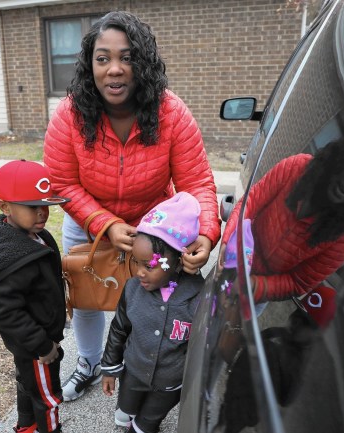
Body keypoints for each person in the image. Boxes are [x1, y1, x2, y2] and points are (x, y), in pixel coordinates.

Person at [43, 10, 221, 401]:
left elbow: (197, 185)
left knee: (152, 298)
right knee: (88, 300)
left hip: (155, 228)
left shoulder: (171, 112)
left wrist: (206, 234)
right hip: (87, 222)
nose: (115, 69)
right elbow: (63, 183)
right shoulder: (69, 115)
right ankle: (89, 362)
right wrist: (103, 222)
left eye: (127, 57)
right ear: (90, 65)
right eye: (103, 58)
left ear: (143, 62)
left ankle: (143, 367)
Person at [218, 129, 344, 303]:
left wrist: (252, 286)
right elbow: (250, 202)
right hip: (232, 260)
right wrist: (227, 243)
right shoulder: (297, 167)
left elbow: (297, 283)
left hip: (252, 295)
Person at [0, 160, 70, 433]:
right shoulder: (12, 257)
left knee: (29, 385)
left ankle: (26, 426)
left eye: (46, 205)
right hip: (36, 345)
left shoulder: (36, 237)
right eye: (32, 206)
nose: (42, 213)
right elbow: (5, 313)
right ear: (5, 207)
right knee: (48, 396)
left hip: (37, 339)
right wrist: (43, 345)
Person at [100, 192, 205, 432]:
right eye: (136, 262)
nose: (139, 272)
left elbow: (203, 346)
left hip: (170, 385)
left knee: (146, 424)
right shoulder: (132, 289)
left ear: (178, 262)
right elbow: (119, 329)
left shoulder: (200, 297)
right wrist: (109, 368)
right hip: (133, 374)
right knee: (126, 410)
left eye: (149, 265)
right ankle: (127, 415)